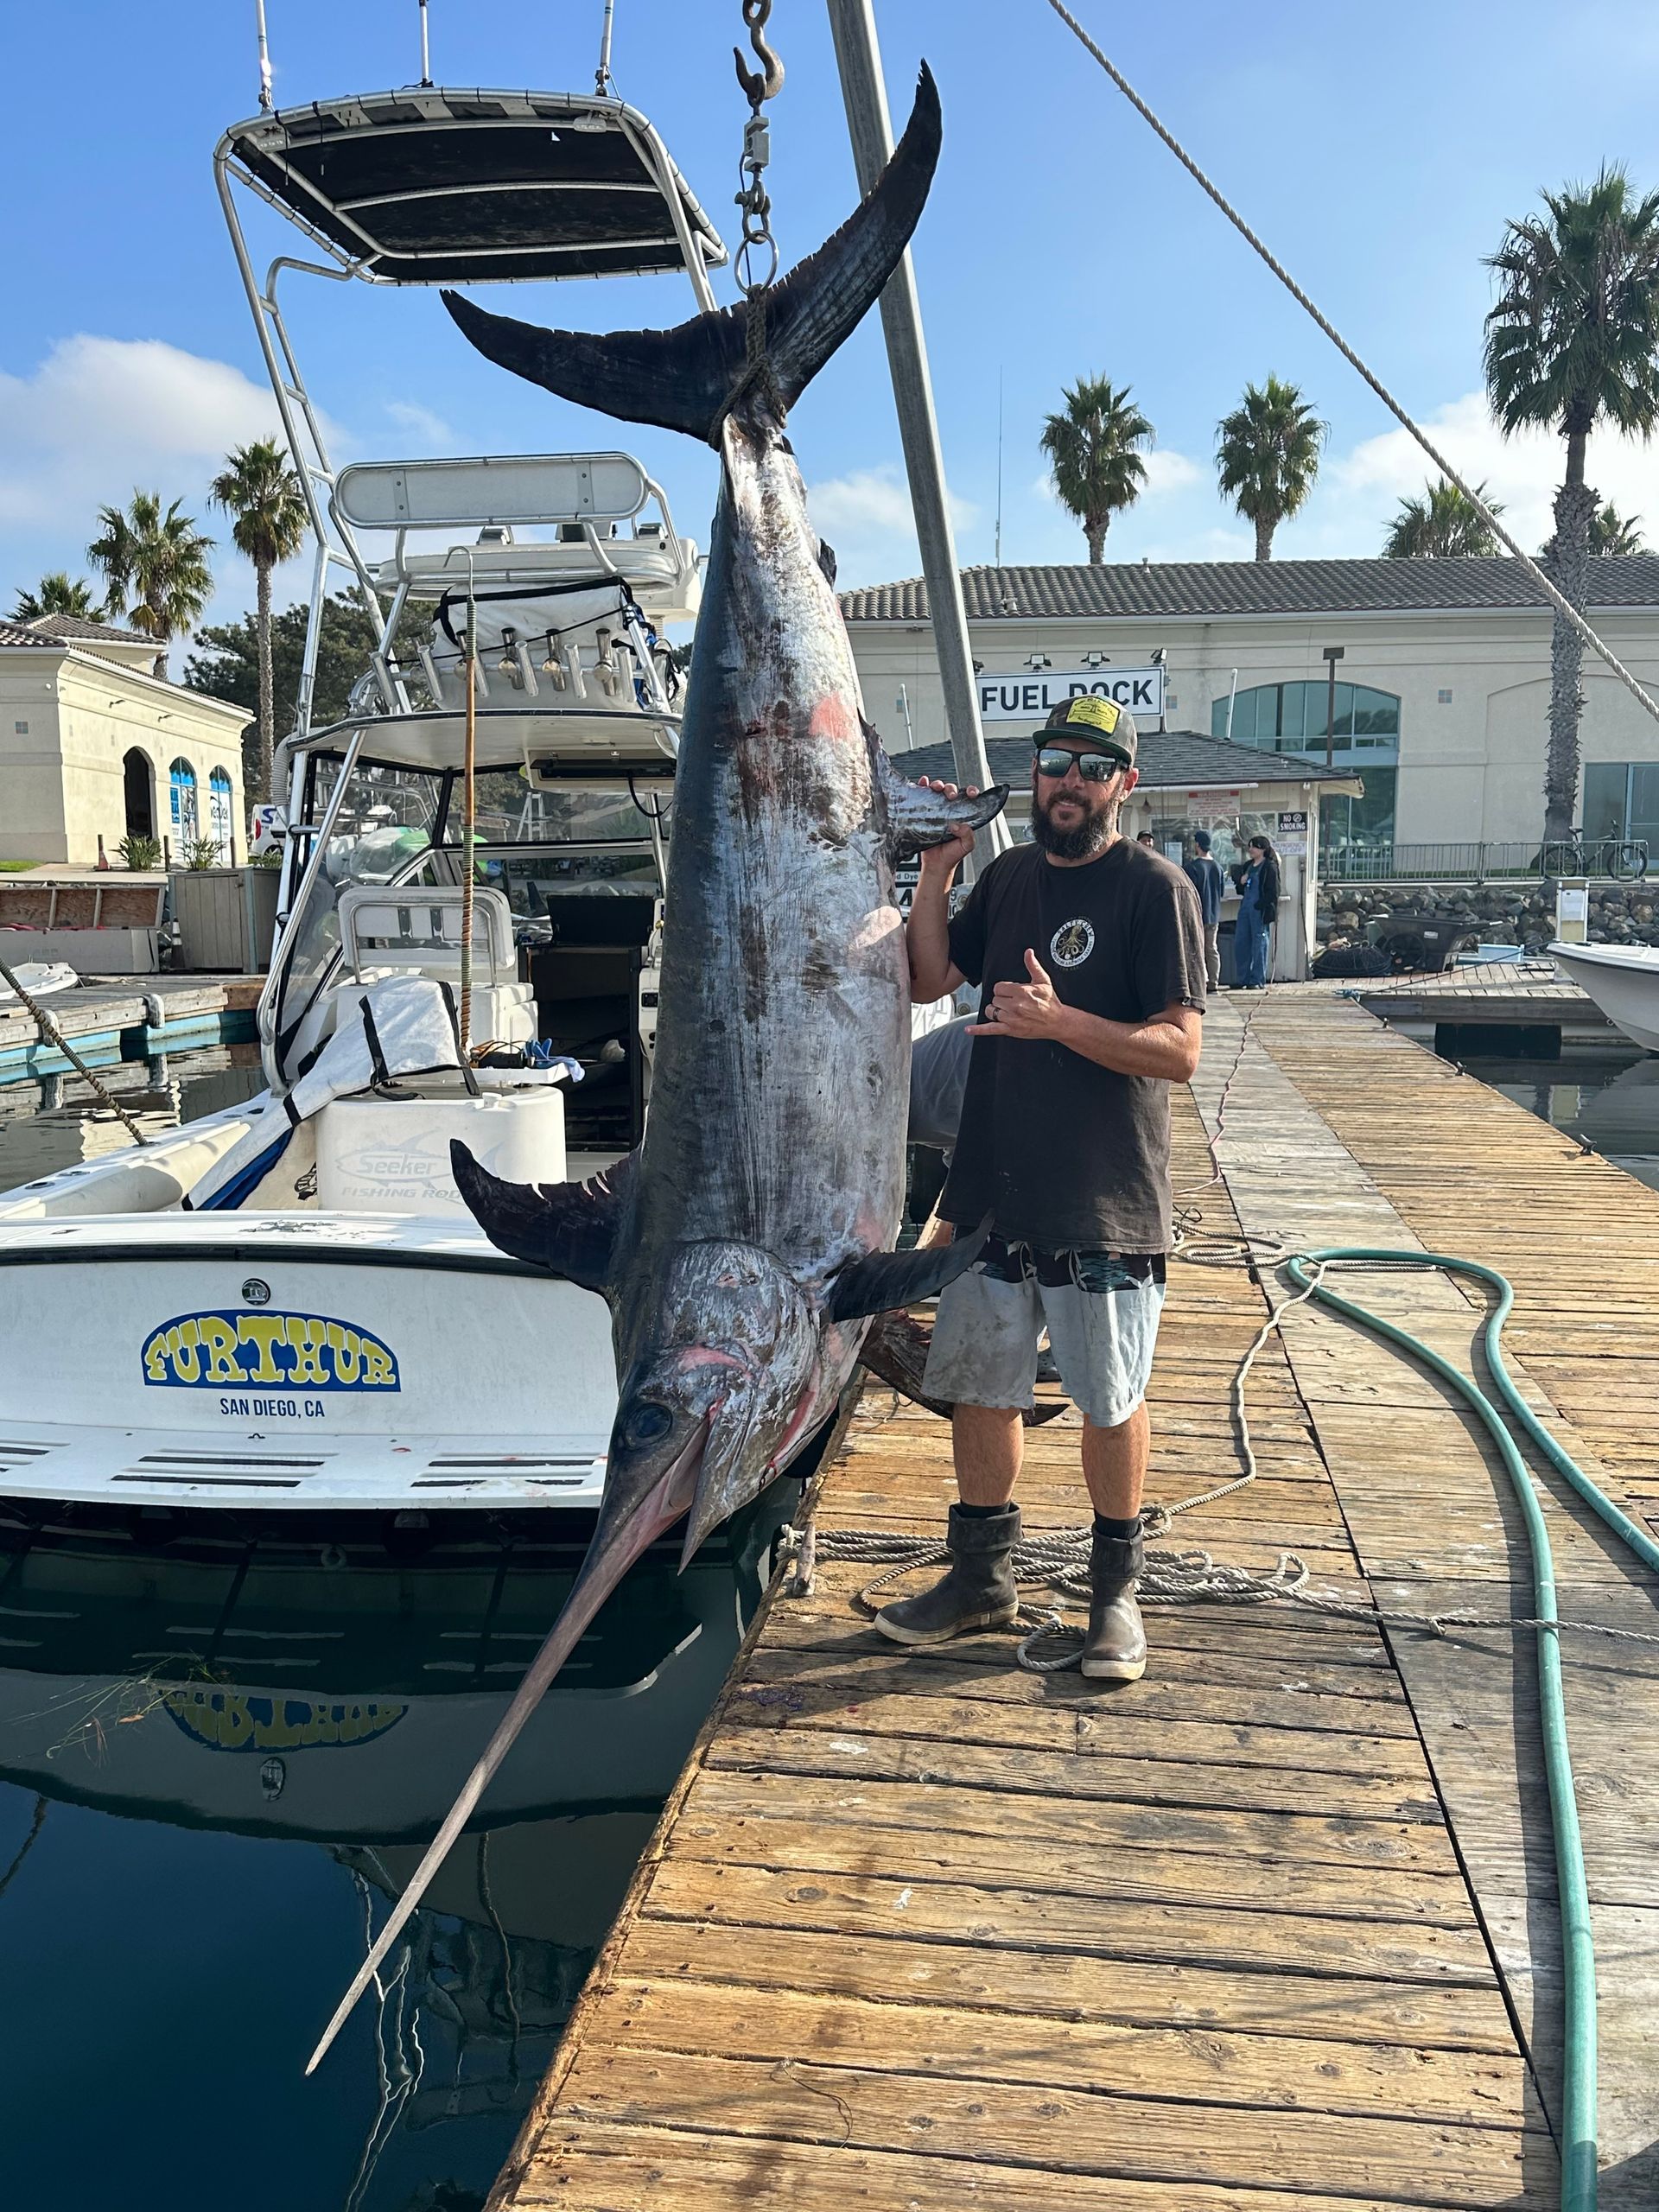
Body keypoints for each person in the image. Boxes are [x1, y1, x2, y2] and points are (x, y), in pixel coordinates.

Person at [882, 695, 1206, 1682]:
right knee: (980, 1388)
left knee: (1110, 1398)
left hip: (1101, 1197)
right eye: (1055, 760)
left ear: (1125, 785)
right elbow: (930, 978)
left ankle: (1115, 1595)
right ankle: (981, 1576)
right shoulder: (1012, 875)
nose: (1069, 780)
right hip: (989, 1190)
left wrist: (1062, 1024)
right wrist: (938, 870)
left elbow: (1181, 1051)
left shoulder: (1157, 890)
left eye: (1093, 766)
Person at [1233, 833, 1281, 988]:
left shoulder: (1269, 867)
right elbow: (1240, 889)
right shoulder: (1248, 866)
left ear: (1263, 849)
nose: (1251, 849)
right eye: (1250, 846)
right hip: (1245, 908)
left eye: (1254, 846)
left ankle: (1257, 980)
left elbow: (1274, 892)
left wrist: (1259, 905)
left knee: (1259, 945)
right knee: (1241, 943)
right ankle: (1243, 979)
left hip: (1259, 911)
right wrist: (1240, 882)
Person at [1182, 830, 1224, 995]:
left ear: (1197, 845)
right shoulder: (1218, 868)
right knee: (1211, 949)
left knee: (1196, 950)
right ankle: (1214, 982)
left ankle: (1199, 983)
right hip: (1213, 915)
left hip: (1196, 915)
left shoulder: (1192, 867)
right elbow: (1220, 892)